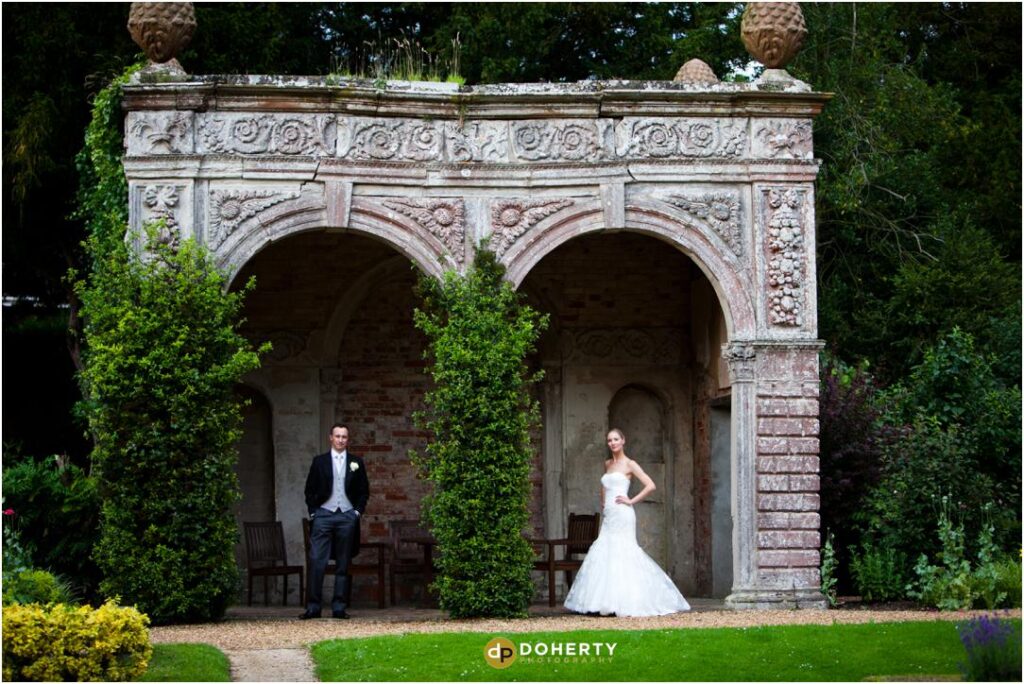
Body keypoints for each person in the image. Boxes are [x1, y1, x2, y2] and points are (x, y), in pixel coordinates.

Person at [564, 428, 690, 617]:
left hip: (623, 514)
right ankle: (603, 602)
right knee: (605, 551)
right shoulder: (607, 464)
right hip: (610, 515)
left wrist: (631, 501)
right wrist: (604, 503)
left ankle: (627, 601)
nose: (612, 443)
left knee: (624, 551)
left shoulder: (630, 464)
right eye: (609, 440)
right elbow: (604, 486)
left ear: (623, 441)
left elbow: (651, 485)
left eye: (616, 439)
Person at [299, 423, 369, 619]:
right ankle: (314, 607)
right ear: (331, 438)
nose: (340, 440)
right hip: (323, 515)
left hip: (346, 516)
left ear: (348, 439)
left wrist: (356, 512)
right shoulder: (319, 461)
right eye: (337, 436)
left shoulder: (356, 462)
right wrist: (314, 513)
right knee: (317, 561)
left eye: (344, 437)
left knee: (343, 563)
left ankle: (339, 607)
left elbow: (364, 491)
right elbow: (309, 490)